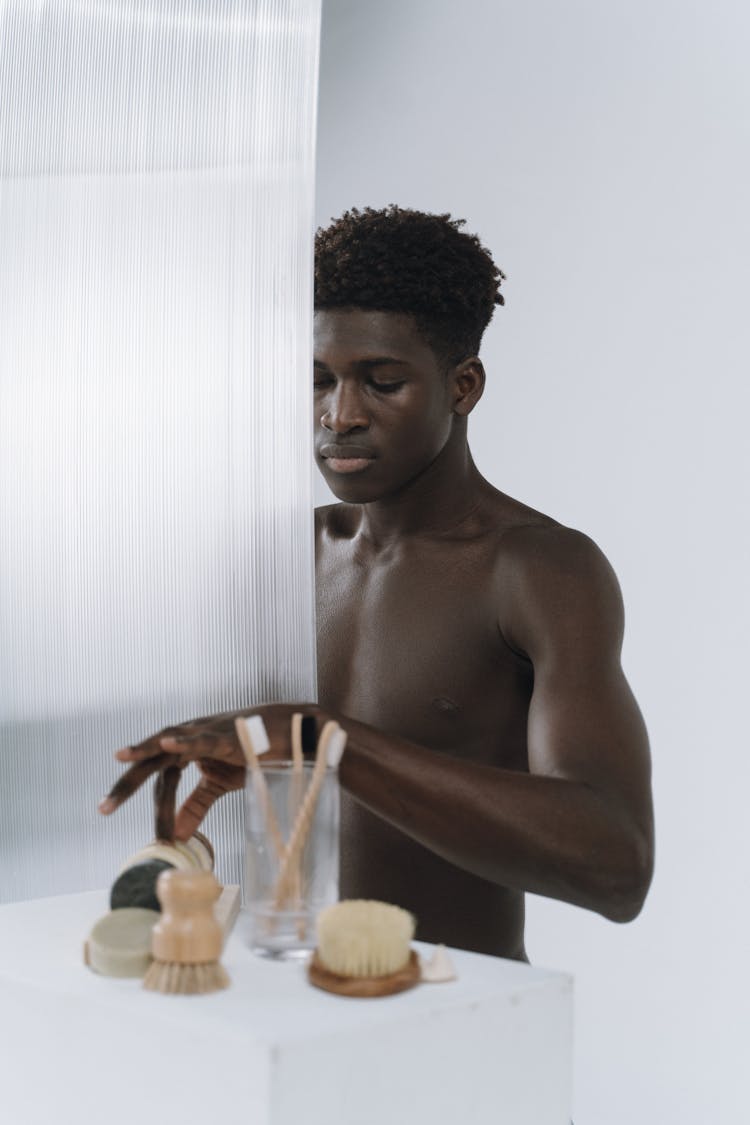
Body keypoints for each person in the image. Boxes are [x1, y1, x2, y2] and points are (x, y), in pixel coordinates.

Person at [100, 206, 654, 960]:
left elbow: (616, 866)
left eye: (382, 382)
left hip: (449, 1017)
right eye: (317, 380)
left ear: (463, 386)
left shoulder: (538, 570)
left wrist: (323, 739)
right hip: (286, 1009)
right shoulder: (288, 553)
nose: (341, 414)